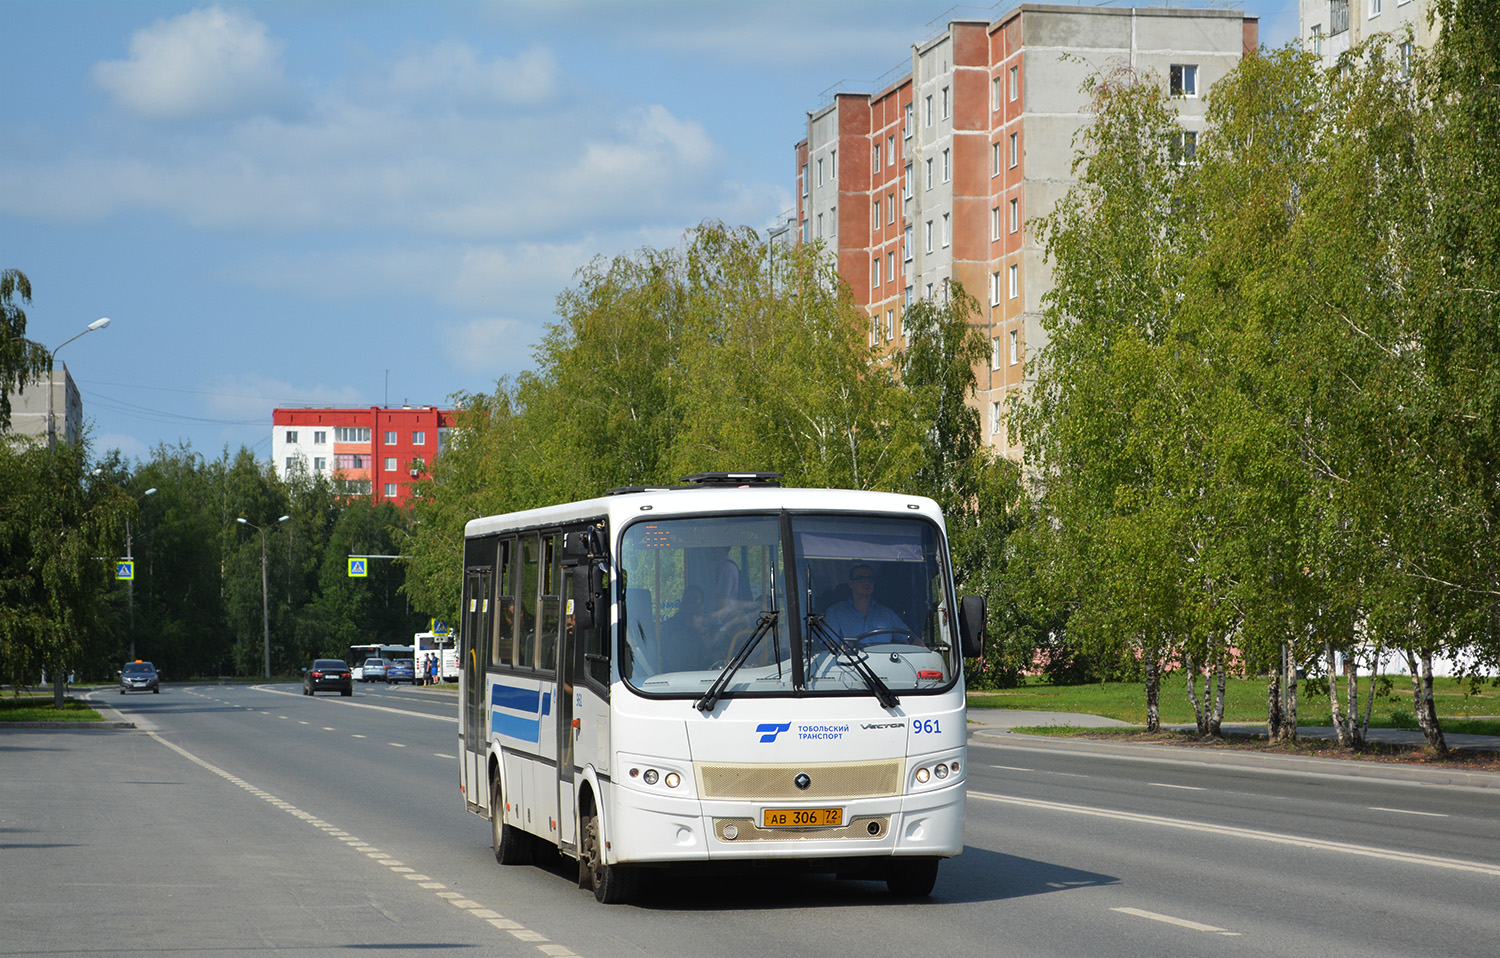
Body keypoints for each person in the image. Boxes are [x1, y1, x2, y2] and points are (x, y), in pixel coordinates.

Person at [821, 563, 910, 644]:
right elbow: (830, 646)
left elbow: (911, 640)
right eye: (860, 579)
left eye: (870, 579)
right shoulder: (835, 613)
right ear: (851, 583)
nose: (866, 582)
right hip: (848, 662)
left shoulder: (888, 614)